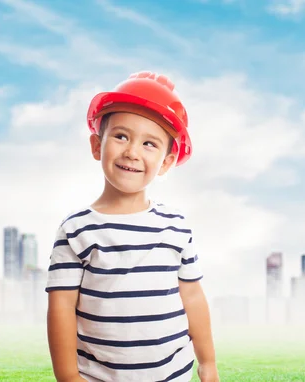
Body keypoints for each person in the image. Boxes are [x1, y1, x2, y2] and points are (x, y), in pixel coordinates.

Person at [45, 71, 218, 382]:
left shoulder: (175, 227)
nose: (132, 152)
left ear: (166, 162)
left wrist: (208, 363)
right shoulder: (76, 230)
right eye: (121, 136)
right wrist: (68, 378)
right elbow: (61, 307)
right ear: (97, 146)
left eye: (150, 143)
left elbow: (192, 297)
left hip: (173, 375)